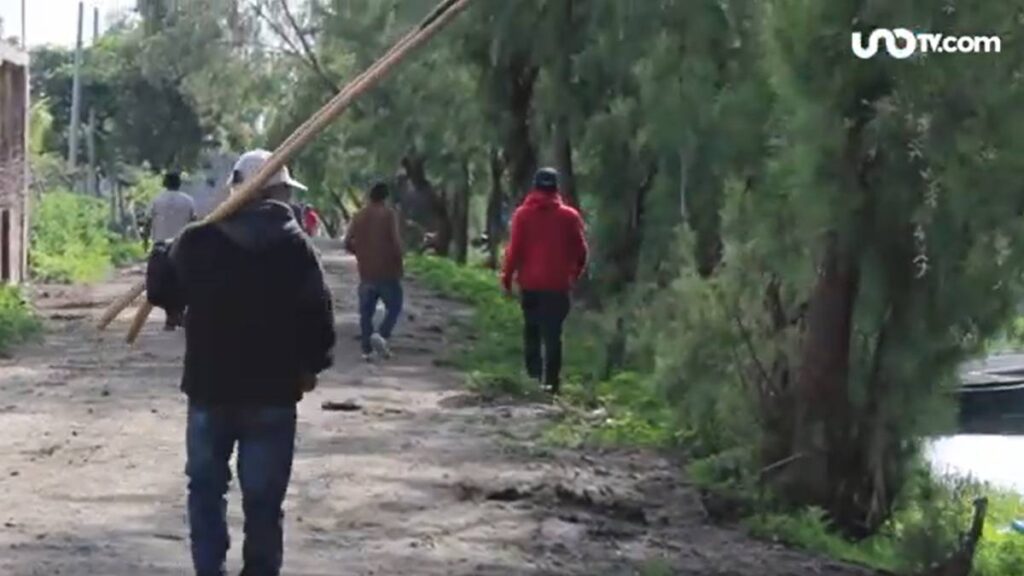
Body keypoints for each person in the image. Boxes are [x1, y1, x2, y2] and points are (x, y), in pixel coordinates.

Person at [146, 149, 337, 576]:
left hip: (209, 390)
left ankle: (209, 570)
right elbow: (319, 317)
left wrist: (161, 255)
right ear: (278, 191)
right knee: (265, 503)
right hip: (272, 394)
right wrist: (311, 366)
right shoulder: (296, 246)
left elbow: (164, 294)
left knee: (206, 491)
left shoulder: (198, 240)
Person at [501, 167, 588, 395]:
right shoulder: (570, 216)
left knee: (532, 331)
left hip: (530, 284)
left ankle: (533, 378)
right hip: (558, 285)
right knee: (553, 335)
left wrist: (507, 278)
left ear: (535, 187)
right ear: (557, 188)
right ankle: (551, 384)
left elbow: (514, 251)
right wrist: (573, 275)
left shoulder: (522, 215)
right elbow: (581, 252)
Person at [344, 182, 404, 361]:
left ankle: (366, 351)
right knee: (395, 306)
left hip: (366, 271)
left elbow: (347, 242)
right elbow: (395, 242)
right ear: (385, 197)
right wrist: (400, 261)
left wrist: (361, 253)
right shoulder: (388, 214)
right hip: (387, 271)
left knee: (366, 313)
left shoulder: (358, 216)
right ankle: (382, 334)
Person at [148, 172, 196, 330]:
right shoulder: (188, 201)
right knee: (181, 283)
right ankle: (177, 315)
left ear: (164, 183)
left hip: (160, 246)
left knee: (161, 284)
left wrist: (145, 241)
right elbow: (194, 222)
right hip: (182, 245)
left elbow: (148, 221)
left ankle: (172, 316)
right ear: (179, 183)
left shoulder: (157, 200)